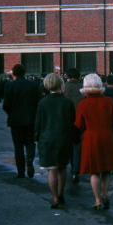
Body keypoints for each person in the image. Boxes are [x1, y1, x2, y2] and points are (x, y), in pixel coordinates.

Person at [75, 74, 113, 209]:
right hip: (108, 138)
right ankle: (105, 195)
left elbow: (79, 126)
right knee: (107, 169)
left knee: (94, 171)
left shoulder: (83, 104)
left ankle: (97, 200)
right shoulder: (109, 101)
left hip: (91, 139)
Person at [34, 74, 79, 208]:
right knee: (62, 167)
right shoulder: (67, 103)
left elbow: (38, 123)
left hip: (47, 139)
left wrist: (36, 137)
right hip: (64, 139)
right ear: (61, 86)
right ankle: (61, 193)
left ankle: (54, 198)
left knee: (51, 170)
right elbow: (72, 123)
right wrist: (76, 139)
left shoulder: (42, 102)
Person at [2, 63, 42, 178]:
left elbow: (6, 104)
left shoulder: (9, 86)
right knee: (30, 142)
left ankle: (21, 172)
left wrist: (11, 113)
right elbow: (39, 102)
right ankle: (30, 159)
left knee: (18, 146)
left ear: (13, 73)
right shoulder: (33, 85)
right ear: (24, 73)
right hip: (31, 120)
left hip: (15, 121)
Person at [63, 67, 85, 183]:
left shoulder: (65, 87)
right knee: (79, 145)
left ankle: (73, 168)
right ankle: (77, 169)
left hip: (69, 120)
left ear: (67, 76)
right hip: (83, 119)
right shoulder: (84, 86)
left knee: (71, 145)